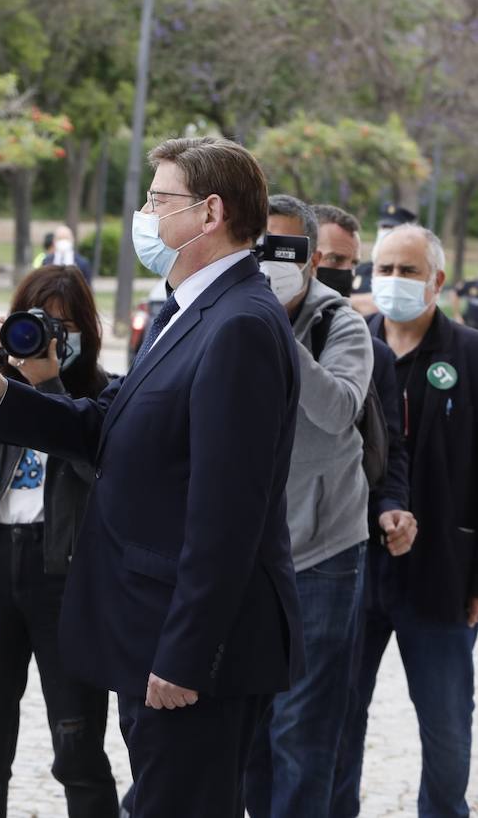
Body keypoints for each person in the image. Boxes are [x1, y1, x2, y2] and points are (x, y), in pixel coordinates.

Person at [0, 136, 304, 818]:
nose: (145, 214)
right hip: (149, 631)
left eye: (157, 200)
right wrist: (3, 396)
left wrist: (185, 655)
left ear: (208, 214)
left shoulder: (239, 325)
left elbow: (226, 516)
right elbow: (106, 427)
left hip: (191, 653)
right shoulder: (185, 310)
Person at [0, 265, 118, 818]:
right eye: (35, 322)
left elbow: (97, 467)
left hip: (67, 579)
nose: (47, 337)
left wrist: (49, 387)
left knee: (78, 754)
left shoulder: (103, 396)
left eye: (61, 326)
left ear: (84, 330)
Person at [334, 224, 478, 818]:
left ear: (437, 281)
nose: (392, 281)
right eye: (384, 269)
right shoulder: (351, 348)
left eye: (408, 271)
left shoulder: (470, 355)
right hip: (351, 574)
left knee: (447, 734)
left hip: (445, 577)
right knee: (335, 730)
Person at [242, 195, 374, 817]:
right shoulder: (227, 314)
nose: (272, 261)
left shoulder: (337, 323)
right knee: (250, 728)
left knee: (304, 730)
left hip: (324, 550)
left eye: (286, 251)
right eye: (259, 248)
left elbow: (336, 410)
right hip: (246, 547)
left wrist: (277, 331)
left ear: (314, 259)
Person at [310, 203, 417, 818]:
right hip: (261, 554)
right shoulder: (249, 328)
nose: (340, 273)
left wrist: (391, 506)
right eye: (329, 260)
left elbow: (387, 451)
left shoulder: (365, 346)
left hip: (335, 560)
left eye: (351, 264)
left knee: (334, 719)